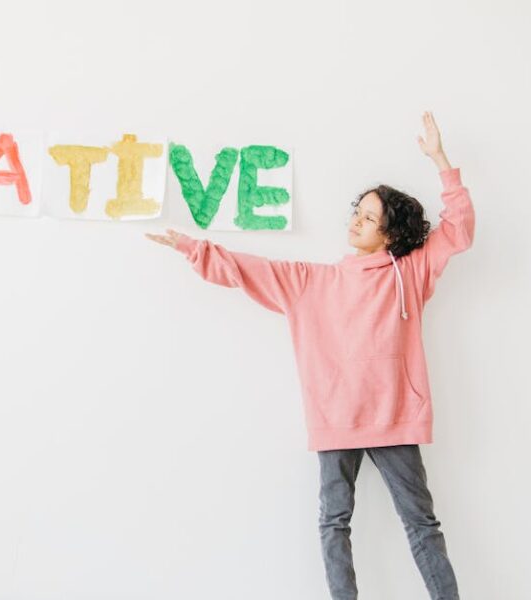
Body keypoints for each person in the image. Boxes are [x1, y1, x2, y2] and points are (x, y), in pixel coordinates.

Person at [145, 111, 472, 599]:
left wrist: (441, 160)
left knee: (421, 525)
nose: (356, 221)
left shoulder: (411, 273)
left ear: (390, 233)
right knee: (333, 523)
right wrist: (193, 248)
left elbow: (458, 230)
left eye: (368, 217)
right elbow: (246, 269)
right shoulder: (312, 282)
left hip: (396, 419)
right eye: (356, 212)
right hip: (337, 420)